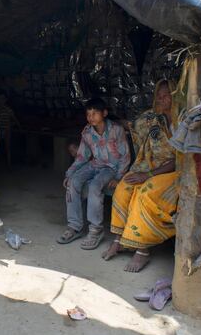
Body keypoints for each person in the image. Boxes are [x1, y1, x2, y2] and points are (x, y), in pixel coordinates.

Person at [103, 80, 180, 272]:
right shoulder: (155, 118)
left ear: (176, 95)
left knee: (144, 192)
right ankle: (120, 240)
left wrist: (148, 174)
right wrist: (110, 121)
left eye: (166, 95)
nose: (161, 99)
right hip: (152, 166)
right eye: (159, 95)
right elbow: (134, 126)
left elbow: (182, 158)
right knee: (124, 187)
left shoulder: (183, 121)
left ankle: (142, 250)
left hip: (177, 171)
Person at [57, 98, 131, 249]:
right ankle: (74, 226)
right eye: (88, 114)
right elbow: (82, 156)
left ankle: (96, 230)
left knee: (95, 186)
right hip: (95, 164)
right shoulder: (87, 132)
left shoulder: (116, 130)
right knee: (73, 182)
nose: (91, 117)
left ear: (104, 113)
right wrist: (69, 173)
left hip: (111, 168)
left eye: (95, 113)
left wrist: (119, 177)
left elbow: (125, 156)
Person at [0, 92, 20, 166]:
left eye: (3, 99)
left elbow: (14, 119)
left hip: (7, 131)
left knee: (8, 148)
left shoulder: (9, 110)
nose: (1, 100)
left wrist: (18, 126)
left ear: (5, 100)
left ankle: (9, 165)